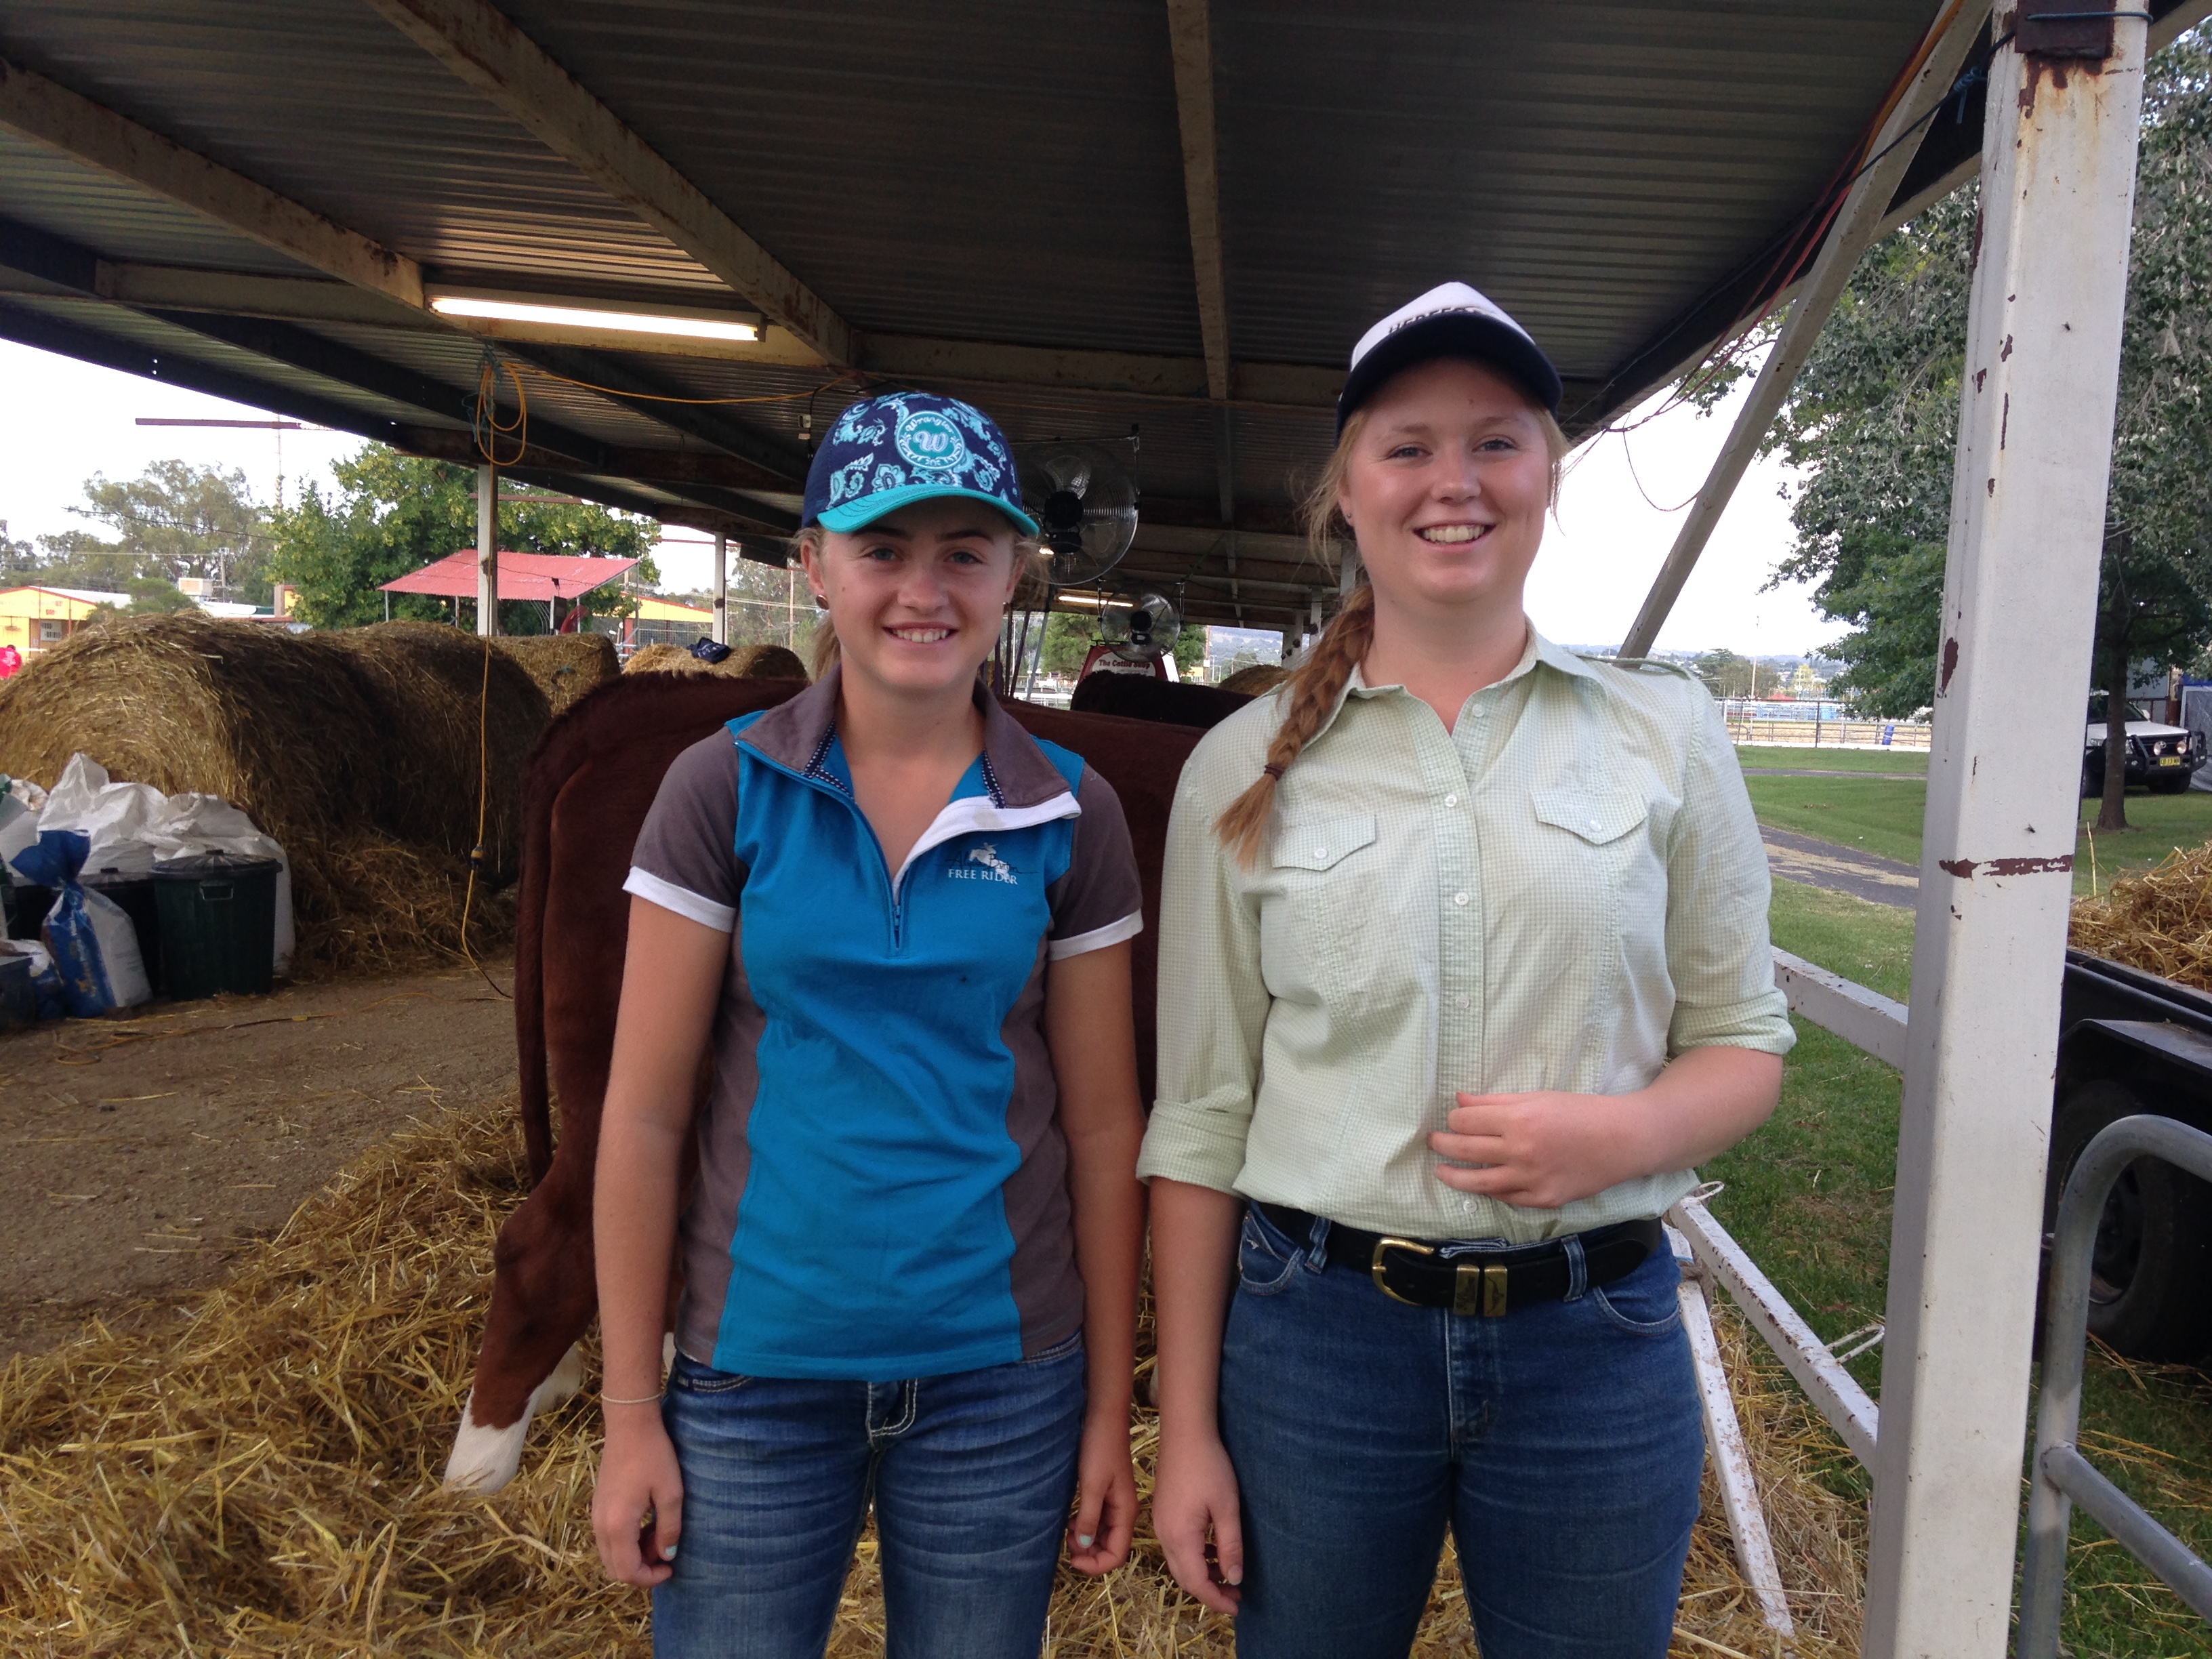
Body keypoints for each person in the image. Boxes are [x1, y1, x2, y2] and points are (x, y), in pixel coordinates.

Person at [1141, 283, 1795, 1659]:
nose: (1457, 482)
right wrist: (1186, 1426)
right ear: (1346, 491)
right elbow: (1200, 1120)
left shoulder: (1666, 733)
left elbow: (1744, 1040)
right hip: (1320, 1340)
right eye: (1409, 447)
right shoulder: (1240, 768)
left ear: (1548, 475)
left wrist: (1622, 1136)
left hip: (1594, 1338)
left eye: (1496, 442)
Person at [591, 391, 1147, 1659]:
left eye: (965, 552)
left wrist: (1109, 1413)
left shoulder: (1070, 812)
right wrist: (630, 1413)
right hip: (752, 1377)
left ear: (1016, 574)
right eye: (883, 549)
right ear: (815, 565)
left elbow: (1108, 1126)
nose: (923, 590)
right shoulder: (722, 787)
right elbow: (645, 1113)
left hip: (1002, 1384)